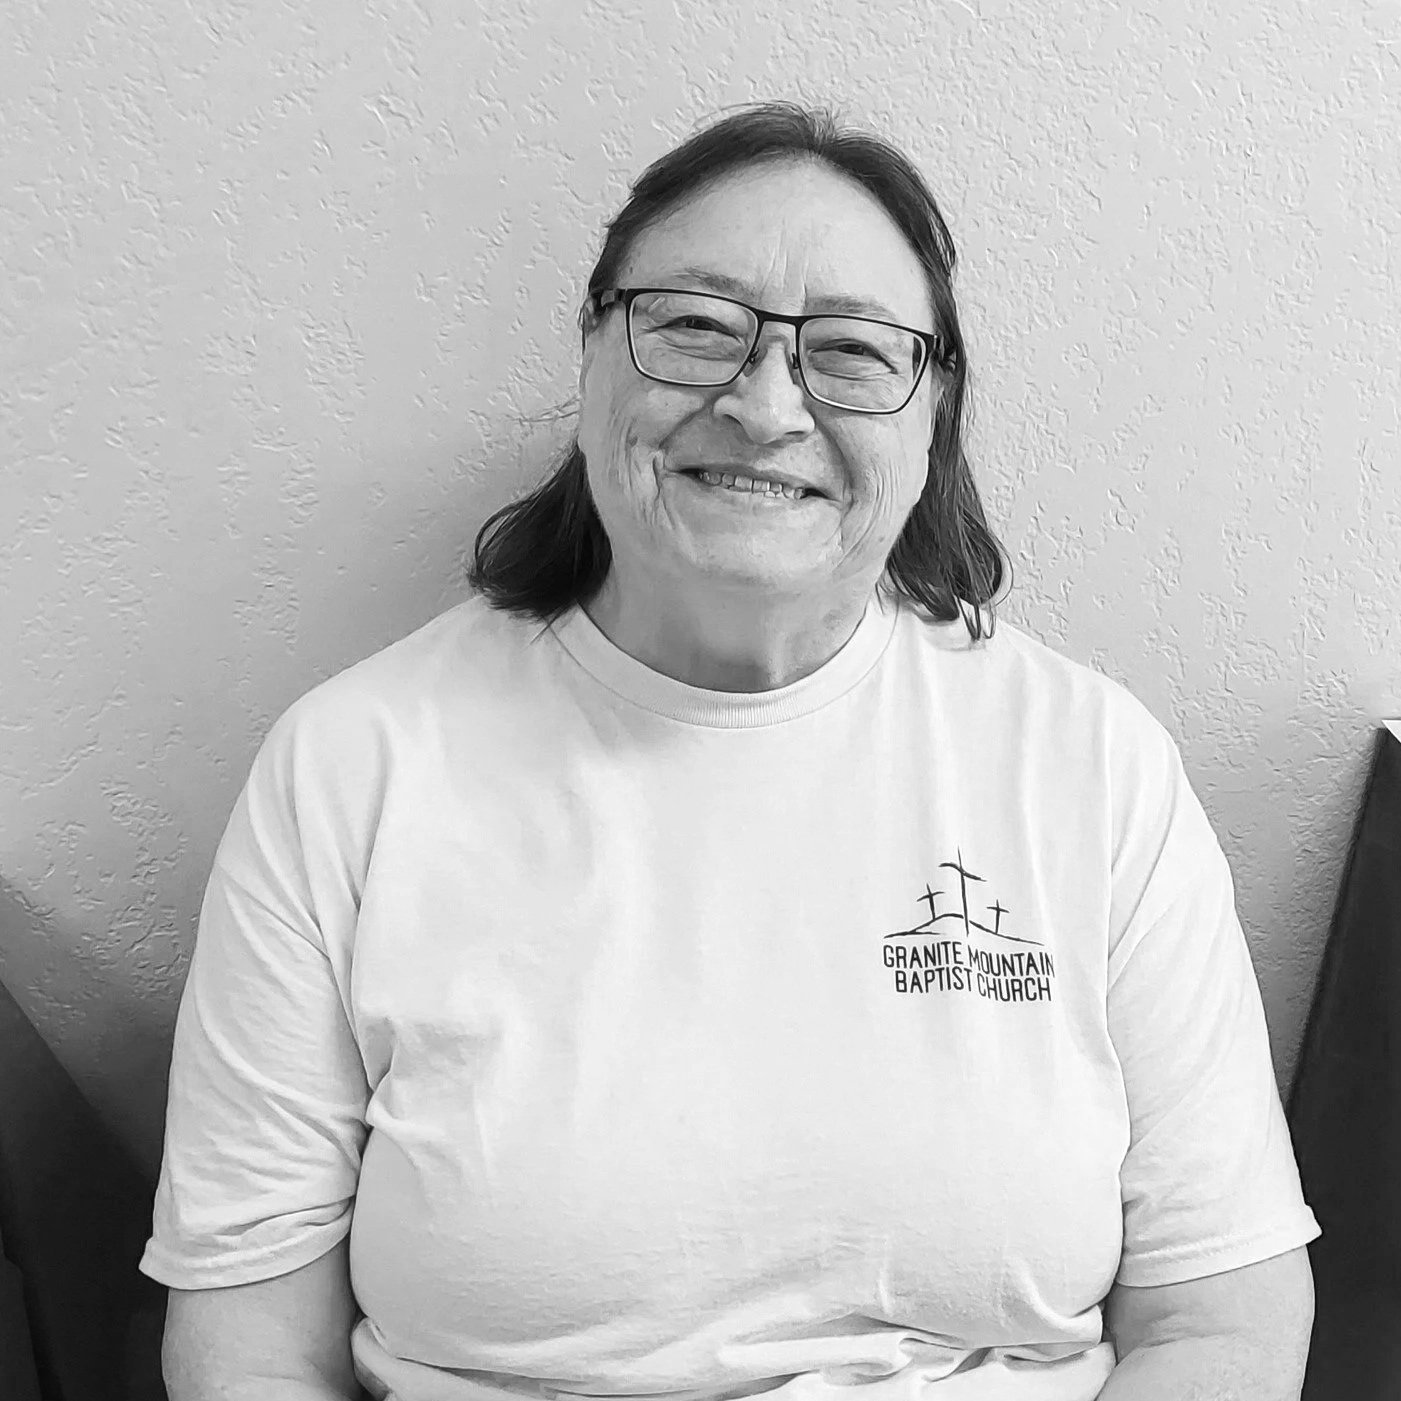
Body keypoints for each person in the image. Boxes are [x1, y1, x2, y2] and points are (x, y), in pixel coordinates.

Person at [141, 103, 1320, 1401]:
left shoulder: (1091, 767)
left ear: (928, 421)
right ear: (592, 359)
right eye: (694, 326)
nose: (763, 403)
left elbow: (1219, 1321)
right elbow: (249, 1340)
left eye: (851, 353)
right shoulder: (350, 767)